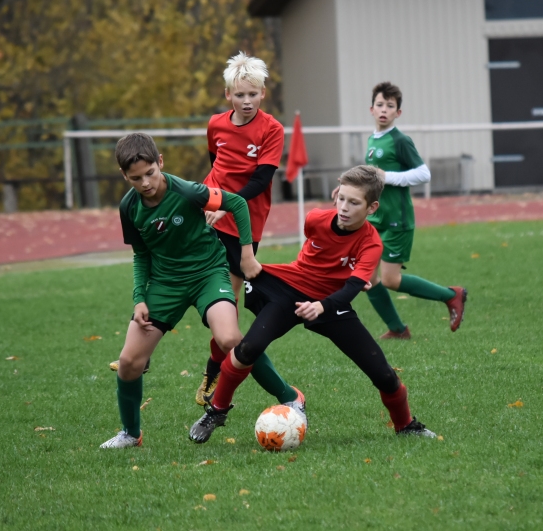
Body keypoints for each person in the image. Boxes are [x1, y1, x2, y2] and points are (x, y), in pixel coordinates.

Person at [187, 165, 437, 444]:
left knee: (384, 375)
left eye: (354, 203)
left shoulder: (371, 243)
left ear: (372, 207)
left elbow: (354, 287)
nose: (344, 207)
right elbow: (313, 256)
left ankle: (405, 425)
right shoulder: (315, 219)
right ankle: (217, 411)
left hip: (332, 304)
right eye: (341, 198)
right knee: (248, 348)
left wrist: (321, 306)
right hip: (289, 290)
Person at [99, 133, 303, 449]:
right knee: (129, 362)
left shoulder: (186, 190)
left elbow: (235, 202)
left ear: (160, 163)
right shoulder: (129, 207)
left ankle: (290, 397)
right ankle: (130, 433)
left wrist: (247, 253)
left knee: (230, 340)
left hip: (209, 273)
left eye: (150, 173)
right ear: (125, 176)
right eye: (136, 178)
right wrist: (139, 298)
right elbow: (141, 255)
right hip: (165, 284)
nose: (146, 183)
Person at [194, 52, 288, 407]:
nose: (246, 101)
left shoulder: (272, 129)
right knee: (183, 270)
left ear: (263, 93)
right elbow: (215, 164)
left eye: (253, 94)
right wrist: (211, 203)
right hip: (209, 213)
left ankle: (213, 370)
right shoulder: (216, 124)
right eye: (239, 95)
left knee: (227, 305)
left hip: (244, 223)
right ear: (227, 94)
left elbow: (262, 179)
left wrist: (226, 205)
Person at [362, 81, 467, 339]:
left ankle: (451, 295)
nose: (384, 109)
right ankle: (398, 329)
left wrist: (388, 177)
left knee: (390, 280)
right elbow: (373, 177)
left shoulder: (400, 140)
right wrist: (347, 187)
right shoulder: (372, 140)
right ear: (371, 109)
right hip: (376, 219)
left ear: (398, 113)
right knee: (367, 277)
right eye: (380, 104)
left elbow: (423, 173)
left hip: (398, 220)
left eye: (390, 106)